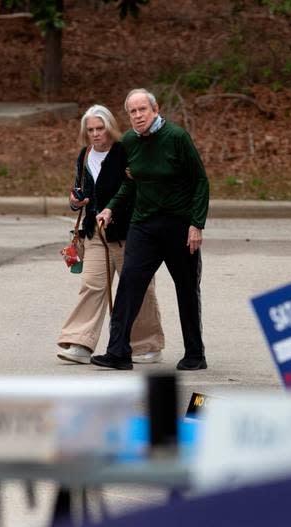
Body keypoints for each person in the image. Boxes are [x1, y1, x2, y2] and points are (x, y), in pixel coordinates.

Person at [92, 88, 209, 371]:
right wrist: (111, 208)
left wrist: (197, 224)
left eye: (142, 109)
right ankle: (118, 351)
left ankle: (195, 354)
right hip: (143, 225)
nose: (137, 116)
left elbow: (200, 182)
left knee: (186, 289)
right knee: (129, 285)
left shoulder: (177, 138)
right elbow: (131, 183)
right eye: (132, 111)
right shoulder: (131, 141)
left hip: (179, 226)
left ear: (155, 110)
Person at [56, 104, 164, 365]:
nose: (95, 134)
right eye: (90, 129)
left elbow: (137, 188)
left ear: (110, 127)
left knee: (139, 289)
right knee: (92, 285)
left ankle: (147, 346)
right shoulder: (84, 156)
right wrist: (75, 201)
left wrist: (116, 208)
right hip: (95, 233)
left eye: (100, 128)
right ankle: (81, 342)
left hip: (128, 232)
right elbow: (79, 191)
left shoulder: (125, 152)